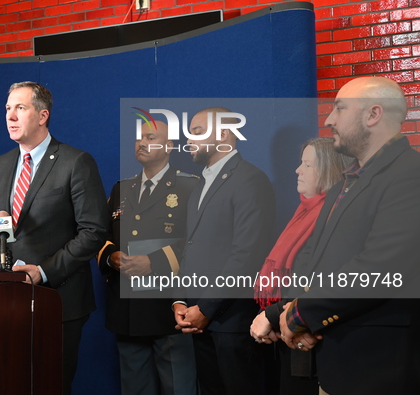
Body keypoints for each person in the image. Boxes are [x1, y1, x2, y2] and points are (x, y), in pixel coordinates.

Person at [279, 76, 420, 394]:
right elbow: (315, 258)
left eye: (339, 109)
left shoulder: (411, 175)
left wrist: (299, 314)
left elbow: (379, 268)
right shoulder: (345, 182)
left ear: (373, 115)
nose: (329, 120)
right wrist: (289, 310)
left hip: (379, 367)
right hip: (336, 361)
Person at [0, 81, 109, 394]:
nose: (10, 115)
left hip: (57, 301)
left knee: (49, 386)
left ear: (42, 116)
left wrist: (44, 271)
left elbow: (93, 231)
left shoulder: (75, 162)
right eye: (8, 108)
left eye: (20, 108)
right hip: (4, 300)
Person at [172, 107, 276, 395]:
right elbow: (189, 247)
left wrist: (206, 308)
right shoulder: (200, 184)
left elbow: (247, 254)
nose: (188, 139)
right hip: (199, 319)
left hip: (232, 322)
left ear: (223, 134)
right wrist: (180, 300)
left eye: (195, 131)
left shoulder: (250, 180)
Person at [97, 120, 198, 395]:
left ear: (169, 146)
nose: (141, 142)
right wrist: (111, 257)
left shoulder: (190, 188)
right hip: (127, 310)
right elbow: (100, 237)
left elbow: (198, 242)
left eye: (150, 137)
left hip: (169, 306)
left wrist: (155, 261)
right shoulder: (121, 189)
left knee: (179, 388)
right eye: (138, 137)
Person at [250, 138, 350, 394]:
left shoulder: (333, 217)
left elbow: (318, 282)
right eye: (300, 163)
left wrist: (276, 318)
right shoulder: (303, 212)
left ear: (328, 170)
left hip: (317, 342)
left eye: (307, 164)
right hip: (291, 334)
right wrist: (278, 322)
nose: (298, 170)